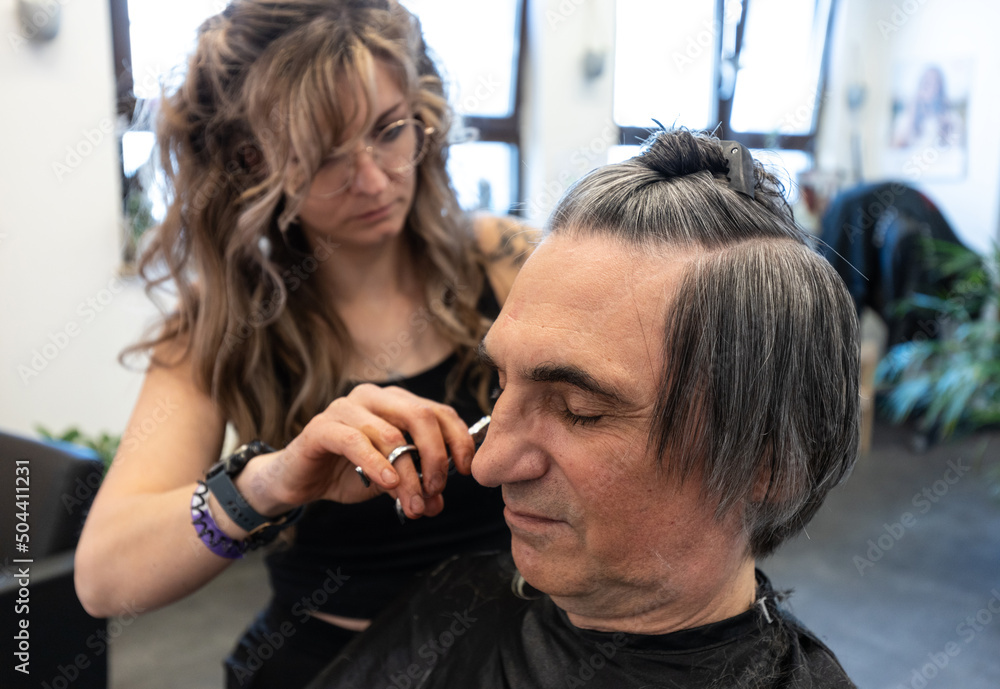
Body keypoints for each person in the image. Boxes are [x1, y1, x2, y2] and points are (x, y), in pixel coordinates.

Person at [73, 1, 533, 687]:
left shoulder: (507, 260)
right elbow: (106, 576)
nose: (374, 180)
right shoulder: (222, 328)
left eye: (389, 131)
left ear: (421, 110)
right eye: (323, 157)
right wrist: (269, 481)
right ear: (250, 161)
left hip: (513, 655)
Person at [309, 129, 861, 689]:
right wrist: (259, 493)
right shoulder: (460, 595)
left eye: (579, 411)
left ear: (768, 465)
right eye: (500, 385)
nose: (487, 464)